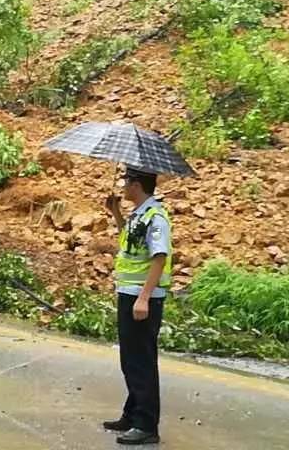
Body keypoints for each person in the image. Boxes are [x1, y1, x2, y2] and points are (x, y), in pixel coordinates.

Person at [101, 166, 172, 446]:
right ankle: (132, 414)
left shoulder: (156, 217)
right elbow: (128, 243)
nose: (123, 186)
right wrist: (116, 213)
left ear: (137, 185)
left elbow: (159, 257)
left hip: (142, 298)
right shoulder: (139, 215)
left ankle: (146, 424)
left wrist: (143, 297)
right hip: (130, 293)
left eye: (126, 182)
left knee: (140, 360)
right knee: (131, 359)